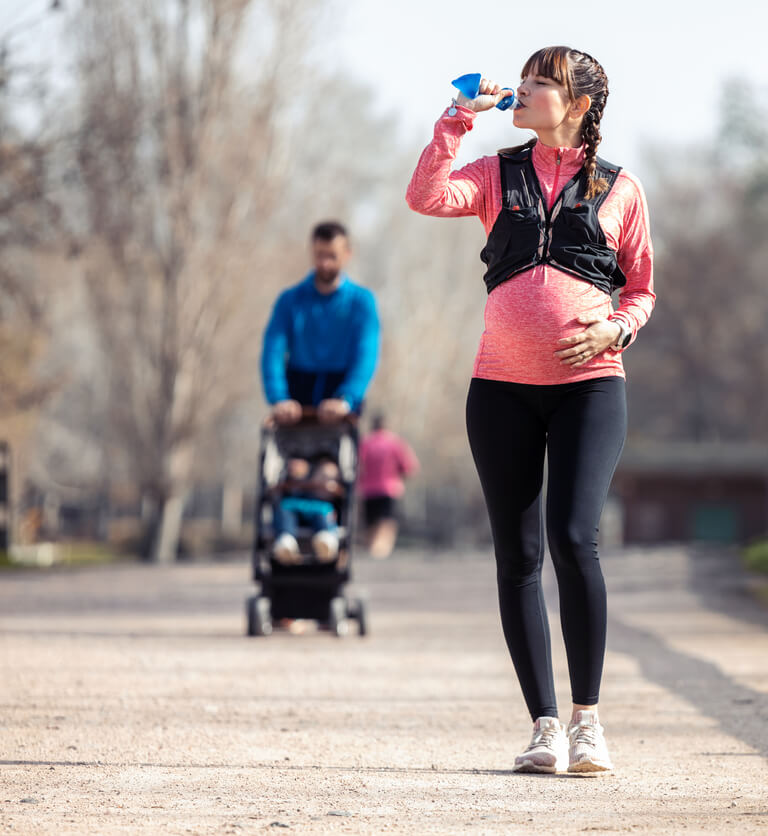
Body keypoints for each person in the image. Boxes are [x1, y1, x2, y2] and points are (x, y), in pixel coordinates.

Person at [406, 46, 655, 776]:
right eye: (527, 76)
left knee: (575, 538)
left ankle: (588, 722)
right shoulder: (496, 173)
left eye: (541, 81)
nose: (523, 88)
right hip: (500, 390)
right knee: (518, 556)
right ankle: (544, 727)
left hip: (591, 387)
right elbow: (427, 196)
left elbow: (640, 289)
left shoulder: (620, 188)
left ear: (576, 104)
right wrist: (457, 119)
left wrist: (619, 327)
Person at [260, 221, 380, 425]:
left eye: (332, 256)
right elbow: (273, 350)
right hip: (297, 392)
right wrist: (279, 398)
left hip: (340, 390)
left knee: (330, 459)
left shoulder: (362, 302)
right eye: (319, 255)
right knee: (295, 459)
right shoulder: (290, 300)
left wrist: (347, 398)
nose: (324, 263)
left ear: (347, 254)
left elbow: (366, 355)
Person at [357, 413, 419, 559]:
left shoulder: (366, 443)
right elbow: (409, 467)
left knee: (371, 521)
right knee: (386, 521)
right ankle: (381, 552)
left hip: (368, 490)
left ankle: (371, 550)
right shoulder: (395, 443)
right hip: (389, 488)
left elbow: (358, 465)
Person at [271, 454, 343, 564]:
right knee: (284, 512)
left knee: (323, 512)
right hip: (293, 511)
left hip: (316, 511)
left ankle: (325, 541)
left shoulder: (323, 499)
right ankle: (286, 544)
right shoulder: (287, 481)